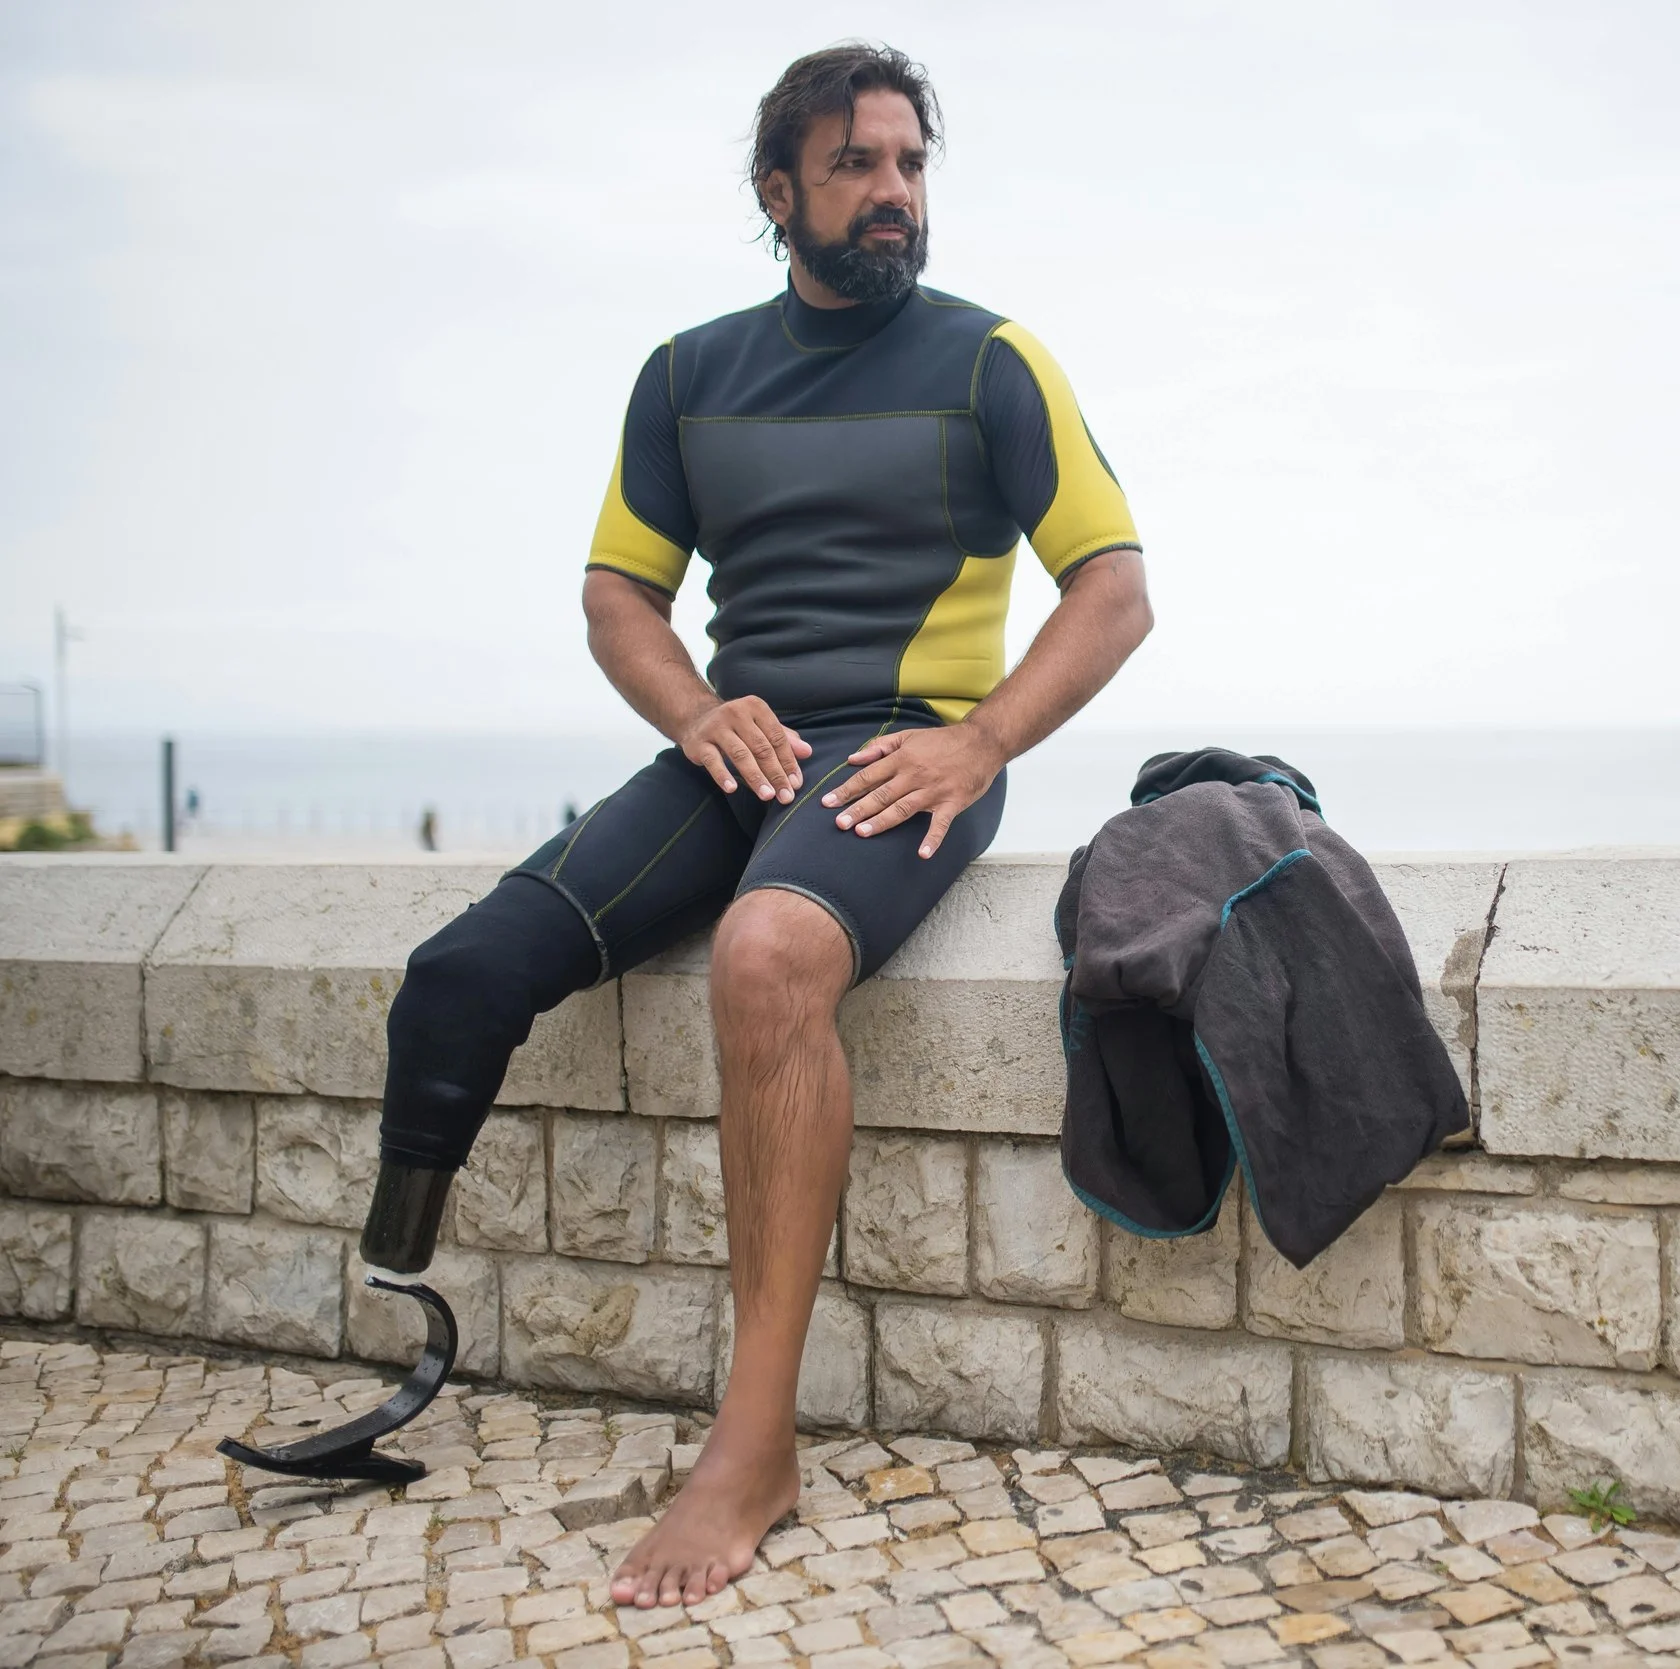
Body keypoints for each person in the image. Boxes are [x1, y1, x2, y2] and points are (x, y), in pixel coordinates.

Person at [354, 42, 1152, 1608]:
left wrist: (979, 743)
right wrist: (695, 713)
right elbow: (618, 594)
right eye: (858, 165)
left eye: (913, 163)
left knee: (771, 956)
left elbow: (1112, 592)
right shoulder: (688, 375)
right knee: (458, 975)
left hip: (894, 763)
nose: (894, 194)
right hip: (733, 753)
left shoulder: (993, 362)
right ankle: (392, 1292)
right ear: (777, 190)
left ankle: (756, 1437)